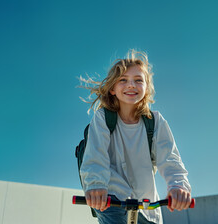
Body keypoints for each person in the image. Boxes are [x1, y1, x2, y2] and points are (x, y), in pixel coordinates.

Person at [79, 49, 192, 224]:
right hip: (111, 200)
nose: (131, 85)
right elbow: (96, 154)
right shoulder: (103, 118)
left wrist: (178, 186)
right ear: (113, 89)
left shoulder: (155, 121)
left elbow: (170, 158)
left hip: (147, 207)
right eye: (123, 80)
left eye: (138, 80)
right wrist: (95, 185)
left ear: (146, 88)